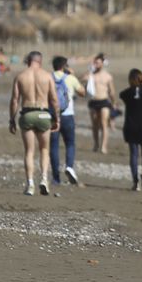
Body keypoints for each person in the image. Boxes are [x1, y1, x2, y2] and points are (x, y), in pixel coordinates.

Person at [9, 50, 58, 196]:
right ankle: (43, 179)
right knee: (44, 149)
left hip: (27, 114)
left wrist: (11, 119)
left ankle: (30, 184)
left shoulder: (21, 76)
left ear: (27, 61)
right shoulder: (47, 75)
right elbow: (54, 99)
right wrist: (57, 119)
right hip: (43, 114)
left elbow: (14, 100)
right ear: (40, 61)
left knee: (29, 151)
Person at [48, 55, 84, 186]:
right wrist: (73, 76)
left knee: (54, 146)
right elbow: (82, 92)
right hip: (68, 115)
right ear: (64, 66)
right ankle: (69, 167)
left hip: (52, 115)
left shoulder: (48, 78)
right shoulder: (70, 78)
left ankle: (56, 178)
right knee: (70, 143)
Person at [87, 54, 116, 155]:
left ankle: (104, 146)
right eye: (95, 63)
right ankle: (96, 144)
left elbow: (112, 91)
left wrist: (114, 103)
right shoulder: (91, 75)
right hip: (93, 101)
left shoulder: (108, 76)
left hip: (104, 101)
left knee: (104, 124)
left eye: (98, 63)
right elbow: (81, 80)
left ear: (102, 63)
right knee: (95, 125)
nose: (96, 64)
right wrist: (89, 72)